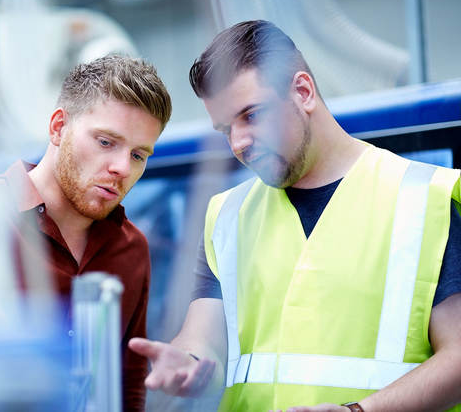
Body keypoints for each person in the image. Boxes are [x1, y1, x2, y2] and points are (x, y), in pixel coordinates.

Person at [129, 20, 461, 411]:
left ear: (303, 92)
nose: (238, 143)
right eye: (225, 129)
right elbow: (204, 340)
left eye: (251, 115)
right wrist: (187, 363)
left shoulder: (426, 200)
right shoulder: (227, 216)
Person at [0, 54, 172, 411]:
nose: (121, 168)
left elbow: (127, 387)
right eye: (105, 142)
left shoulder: (131, 248)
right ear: (57, 128)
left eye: (138, 155)